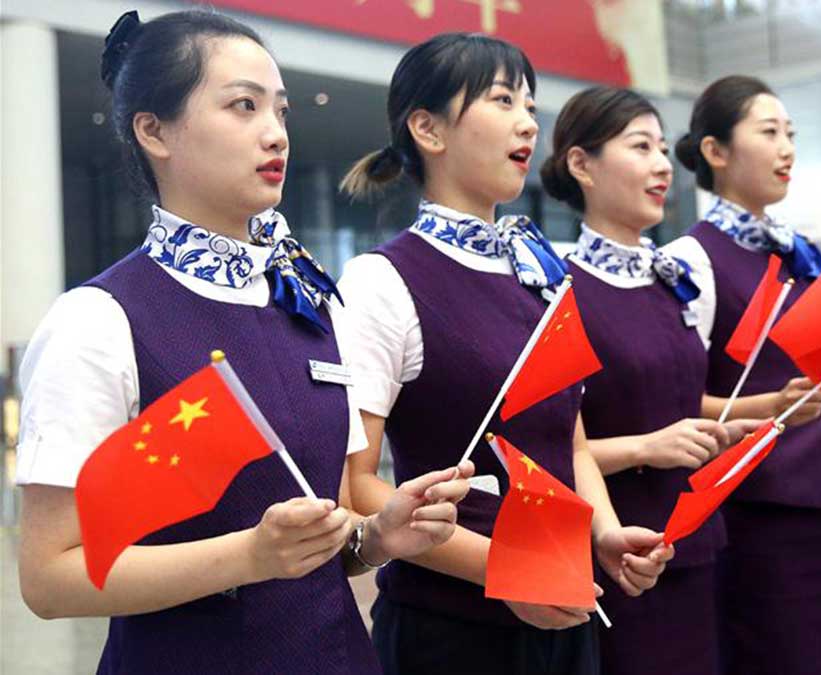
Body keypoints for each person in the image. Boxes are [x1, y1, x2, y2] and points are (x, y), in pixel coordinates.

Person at [16, 11, 469, 674]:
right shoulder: (101, 320)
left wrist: (377, 537)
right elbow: (49, 578)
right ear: (154, 130)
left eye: (279, 111)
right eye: (242, 106)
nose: (273, 133)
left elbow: (326, 538)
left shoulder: (309, 301)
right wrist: (247, 556)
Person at [337, 34, 673, 675]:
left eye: (529, 101)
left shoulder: (543, 277)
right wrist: (506, 572)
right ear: (428, 129)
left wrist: (605, 535)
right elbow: (356, 485)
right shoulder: (382, 280)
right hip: (450, 625)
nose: (528, 120)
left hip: (564, 605)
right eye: (502, 100)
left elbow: (570, 446)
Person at [665, 74, 821, 675]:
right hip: (757, 506)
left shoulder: (799, 252)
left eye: (791, 134)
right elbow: (674, 401)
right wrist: (766, 407)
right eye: (769, 132)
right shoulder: (692, 258)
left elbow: (817, 381)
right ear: (716, 151)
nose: (787, 148)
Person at [540, 85, 774, 675]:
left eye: (664, 149)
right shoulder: (558, 291)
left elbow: (674, 400)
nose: (663, 165)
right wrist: (649, 447)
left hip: (698, 542)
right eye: (640, 146)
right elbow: (554, 446)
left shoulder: (673, 280)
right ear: (580, 164)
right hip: (620, 551)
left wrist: (728, 425)